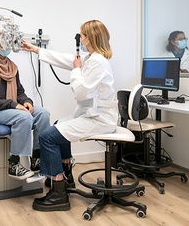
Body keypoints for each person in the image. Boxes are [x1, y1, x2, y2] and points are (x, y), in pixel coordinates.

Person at [21, 19, 117, 212]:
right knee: (58, 125)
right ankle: (66, 175)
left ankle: (58, 192)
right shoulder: (92, 58)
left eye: (82, 35)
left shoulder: (98, 62)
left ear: (89, 38)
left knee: (47, 136)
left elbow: (81, 92)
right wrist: (36, 50)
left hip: (98, 119)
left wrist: (75, 70)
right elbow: (67, 59)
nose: (80, 38)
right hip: (91, 115)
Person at [0, 28, 51, 181]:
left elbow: (20, 92)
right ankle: (14, 164)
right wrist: (14, 105)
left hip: (7, 109)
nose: (6, 48)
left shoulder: (11, 66)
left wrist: (27, 102)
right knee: (23, 117)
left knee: (42, 114)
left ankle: (37, 158)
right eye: (3, 43)